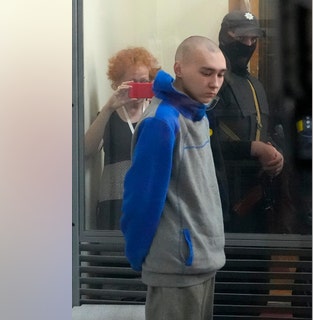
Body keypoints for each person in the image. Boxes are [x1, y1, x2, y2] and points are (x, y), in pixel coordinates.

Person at [121, 36, 227, 320]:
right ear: (179, 69)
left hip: (203, 262)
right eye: (206, 72)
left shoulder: (197, 115)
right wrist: (138, 255)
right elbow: (141, 200)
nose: (215, 82)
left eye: (220, 74)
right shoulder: (162, 122)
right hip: (175, 268)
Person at [208, 10, 297, 234]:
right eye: (240, 38)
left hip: (259, 196)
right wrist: (252, 148)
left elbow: (265, 132)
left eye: (253, 39)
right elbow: (203, 142)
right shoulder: (213, 83)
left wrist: (275, 154)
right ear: (224, 37)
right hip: (221, 197)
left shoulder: (255, 85)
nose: (248, 44)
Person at [84, 47, 160, 230]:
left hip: (150, 201)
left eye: (144, 81)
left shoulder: (157, 115)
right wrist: (109, 107)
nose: (138, 86)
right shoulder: (108, 115)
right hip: (114, 205)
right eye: (132, 82)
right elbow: (87, 150)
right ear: (117, 83)